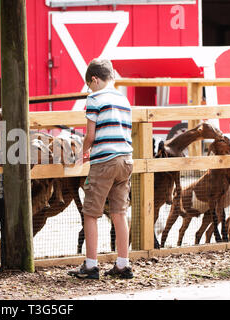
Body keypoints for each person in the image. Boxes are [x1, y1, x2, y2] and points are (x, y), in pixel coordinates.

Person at [68, 58, 134, 280]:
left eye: (89, 84)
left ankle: (91, 266)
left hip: (104, 161)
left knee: (90, 213)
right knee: (119, 212)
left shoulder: (94, 98)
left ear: (94, 79)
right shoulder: (123, 99)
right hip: (126, 161)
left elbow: (90, 136)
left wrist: (82, 154)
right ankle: (123, 265)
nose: (90, 88)